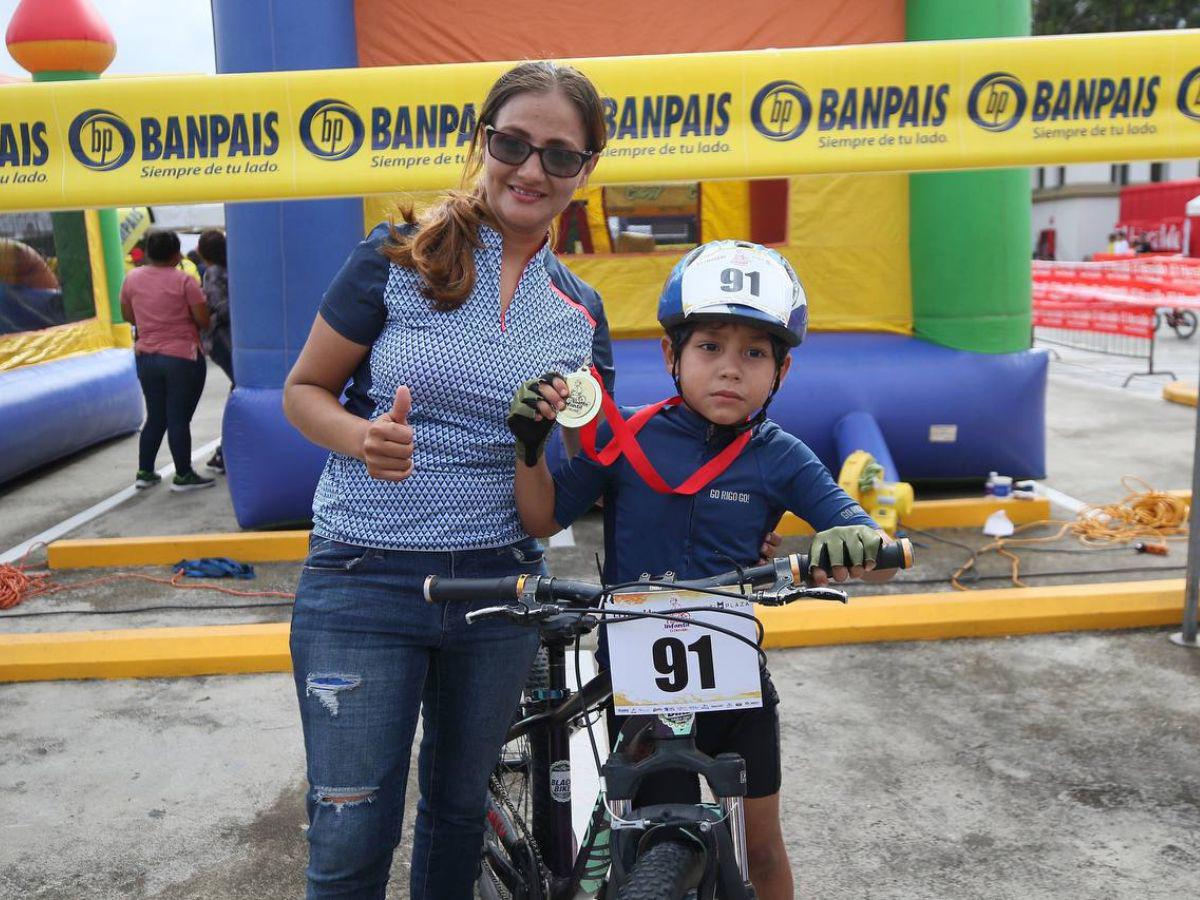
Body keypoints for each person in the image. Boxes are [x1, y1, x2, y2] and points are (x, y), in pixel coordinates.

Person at [281, 60, 614, 899]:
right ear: (483, 142)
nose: (531, 169)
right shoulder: (397, 256)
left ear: (585, 172)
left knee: (461, 816)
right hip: (364, 576)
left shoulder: (580, 318)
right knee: (352, 833)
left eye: (560, 155)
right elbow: (302, 391)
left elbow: (542, 516)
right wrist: (363, 439)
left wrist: (529, 447)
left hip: (499, 588)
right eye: (513, 143)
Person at [507, 240, 897, 900]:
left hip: (737, 681)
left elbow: (869, 542)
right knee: (649, 839)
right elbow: (543, 518)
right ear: (671, 356)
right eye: (710, 347)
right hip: (640, 684)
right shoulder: (624, 439)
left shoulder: (783, 457)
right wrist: (529, 449)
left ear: (782, 371)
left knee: (763, 848)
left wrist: (855, 542)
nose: (730, 370)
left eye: (754, 353)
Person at [119, 229, 215, 491]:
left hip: (146, 356)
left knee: (156, 416)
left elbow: (128, 315)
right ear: (176, 254)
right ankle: (183, 474)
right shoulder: (184, 281)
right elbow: (203, 320)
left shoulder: (132, 279)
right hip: (182, 357)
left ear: (148, 252)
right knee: (178, 418)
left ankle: (145, 472)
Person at [197, 229, 232, 473]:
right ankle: (225, 450)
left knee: (237, 389)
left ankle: (224, 451)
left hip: (221, 339)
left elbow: (220, 307)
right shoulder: (224, 271)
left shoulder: (213, 273)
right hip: (225, 340)